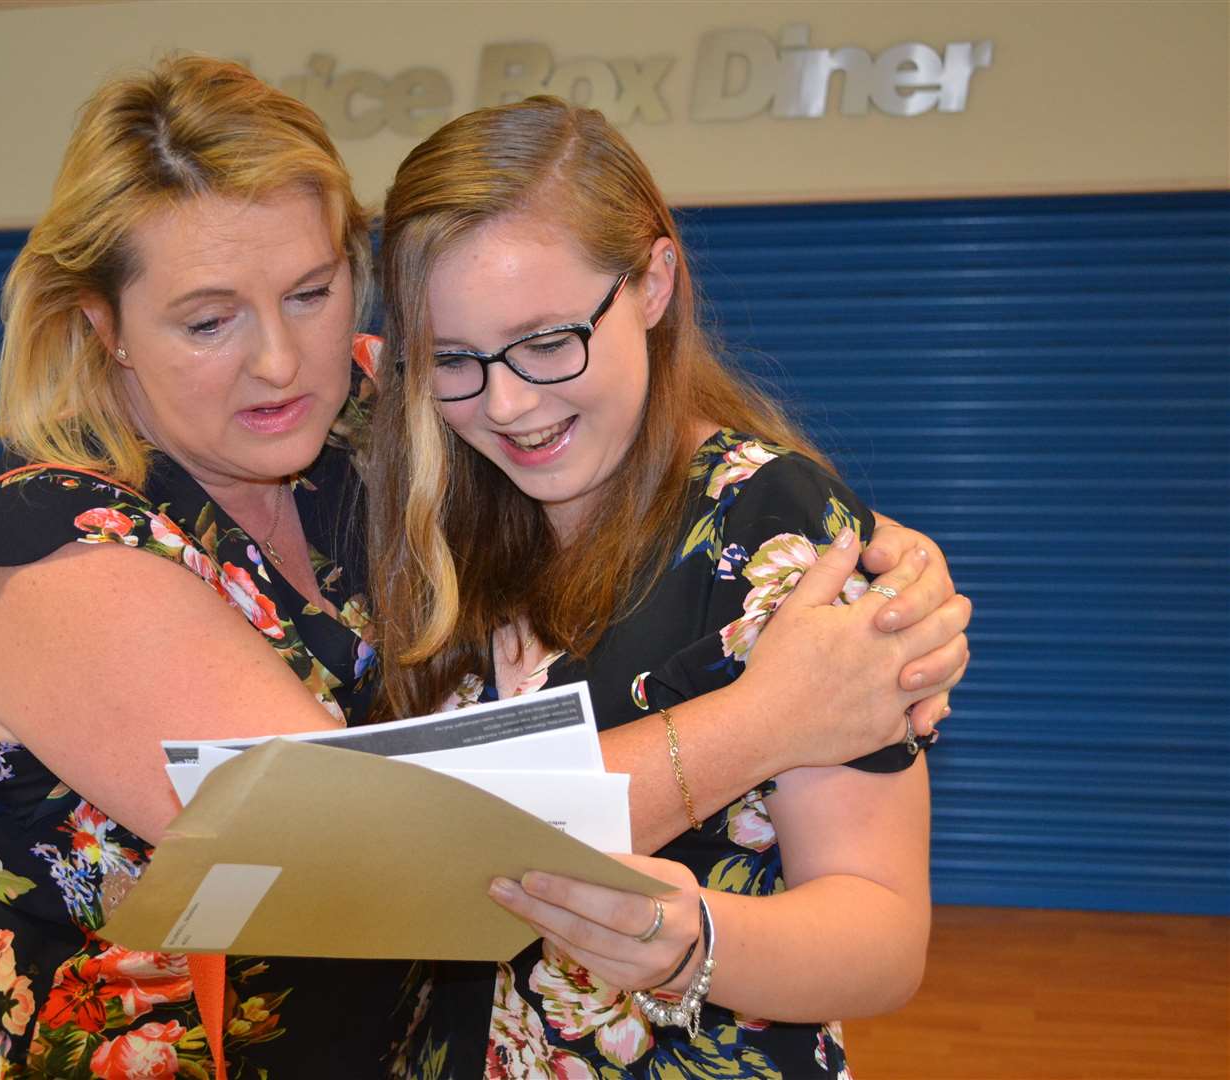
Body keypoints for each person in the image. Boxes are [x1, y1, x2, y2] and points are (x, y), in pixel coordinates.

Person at [0, 59, 969, 1077]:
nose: (279, 360)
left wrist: (855, 543)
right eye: (208, 320)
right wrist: (773, 716)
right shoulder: (57, 548)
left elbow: (620, 428)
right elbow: (358, 859)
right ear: (106, 327)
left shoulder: (381, 424)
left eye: (313, 292)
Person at [369, 96, 967, 1078]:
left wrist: (696, 941)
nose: (508, 403)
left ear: (653, 281)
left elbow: (884, 931)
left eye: (548, 341)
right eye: (454, 360)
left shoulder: (774, 528)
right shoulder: (424, 502)